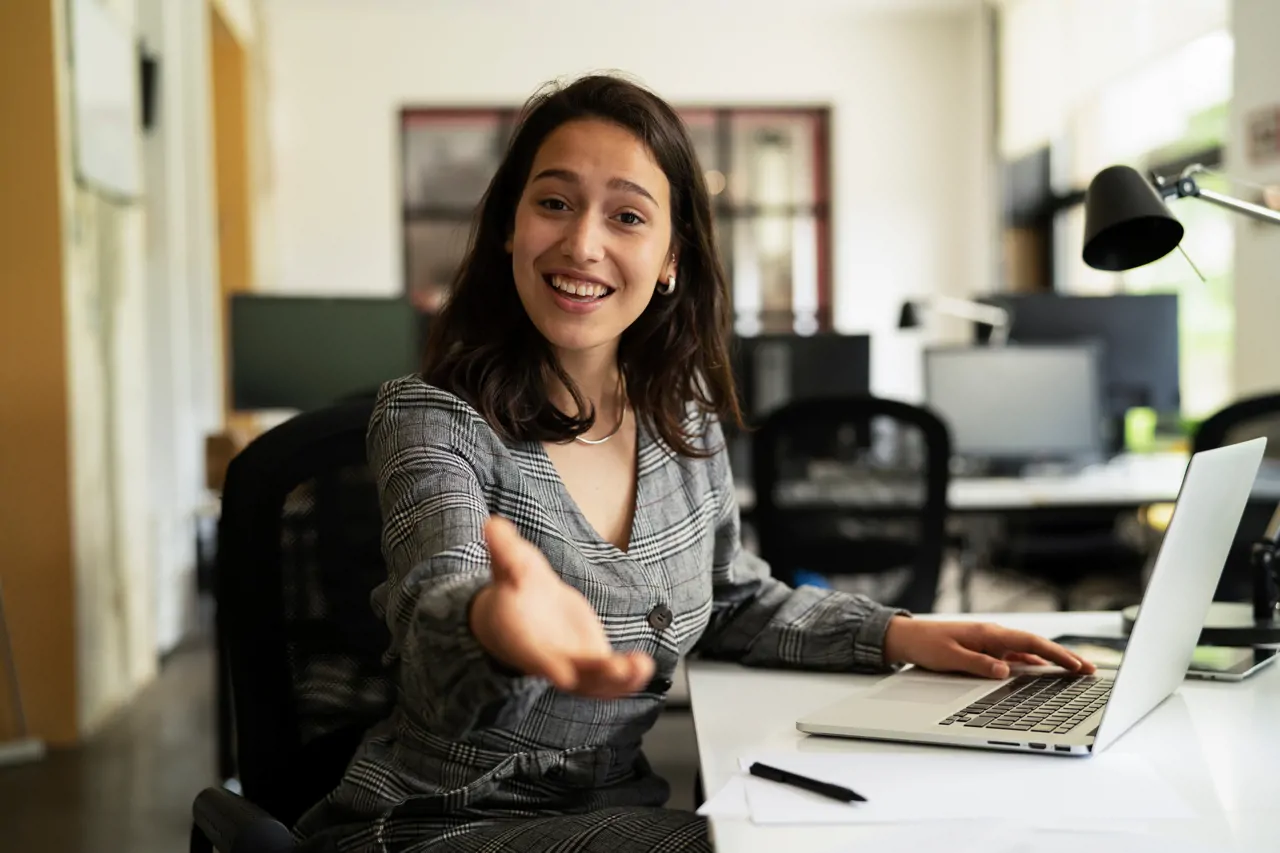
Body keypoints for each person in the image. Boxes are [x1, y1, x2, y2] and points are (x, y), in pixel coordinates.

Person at [294, 73, 1094, 853]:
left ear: (672, 255)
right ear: (509, 225)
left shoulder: (684, 424)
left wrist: (898, 634)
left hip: (614, 810)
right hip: (441, 823)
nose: (582, 243)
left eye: (628, 216)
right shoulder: (432, 417)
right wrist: (493, 626)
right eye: (553, 202)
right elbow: (435, 602)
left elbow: (731, 599)